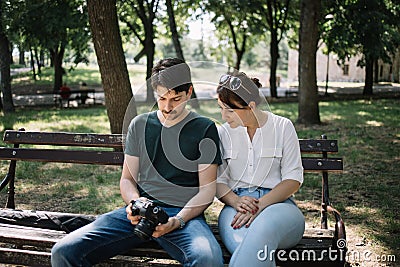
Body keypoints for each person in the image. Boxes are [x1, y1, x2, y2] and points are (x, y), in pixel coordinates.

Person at [51, 58, 224, 267]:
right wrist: (134, 203)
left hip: (183, 216)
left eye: (176, 99)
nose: (167, 107)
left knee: (209, 259)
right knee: (63, 252)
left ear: (189, 92)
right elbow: (127, 179)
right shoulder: (140, 124)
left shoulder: (204, 128)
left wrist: (177, 221)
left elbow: (207, 191)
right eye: (161, 98)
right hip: (139, 213)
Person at [216, 72, 305, 267]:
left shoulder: (283, 127)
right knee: (247, 246)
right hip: (236, 208)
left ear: (251, 107)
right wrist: (236, 200)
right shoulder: (222, 133)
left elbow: (293, 179)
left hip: (279, 206)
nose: (223, 116)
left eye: (229, 110)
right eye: (221, 108)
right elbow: (218, 181)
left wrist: (260, 205)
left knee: (262, 229)